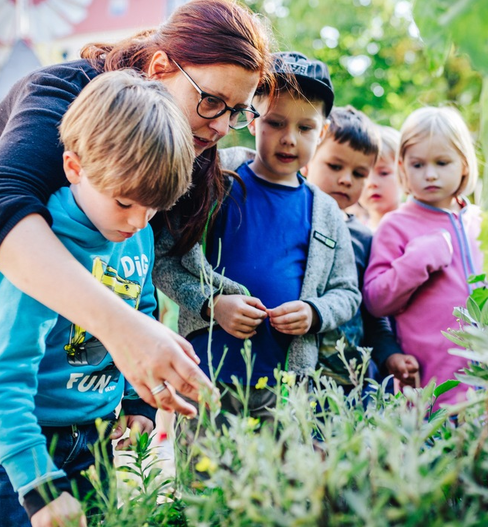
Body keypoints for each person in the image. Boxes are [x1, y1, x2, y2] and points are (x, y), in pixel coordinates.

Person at [0, 0, 274, 415]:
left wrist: (132, 398)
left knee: (78, 399)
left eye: (236, 111)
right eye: (211, 101)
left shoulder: (190, 140)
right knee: (18, 399)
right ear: (161, 68)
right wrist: (121, 329)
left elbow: (134, 279)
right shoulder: (63, 94)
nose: (220, 126)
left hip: (73, 260)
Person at [0, 71, 196, 527]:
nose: (138, 221)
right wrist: (40, 489)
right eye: (126, 202)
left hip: (94, 436)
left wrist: (136, 402)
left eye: (153, 206)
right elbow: (1, 381)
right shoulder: (39, 248)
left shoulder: (138, 234)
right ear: (75, 167)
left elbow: (140, 311)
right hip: (19, 444)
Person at [154, 51, 360, 424]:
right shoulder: (215, 179)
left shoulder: (326, 212)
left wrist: (314, 313)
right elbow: (165, 261)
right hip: (208, 377)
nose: (289, 139)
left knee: (279, 478)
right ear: (251, 119)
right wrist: (212, 304)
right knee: (207, 479)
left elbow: (347, 293)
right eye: (276, 123)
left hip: (286, 389)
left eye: (305, 128)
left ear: (323, 132)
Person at [363, 106, 483, 409]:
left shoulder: (482, 223)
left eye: (442, 163)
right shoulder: (396, 225)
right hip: (429, 387)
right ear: (403, 168)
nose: (430, 174)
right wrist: (415, 262)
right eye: (418, 165)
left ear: (465, 165)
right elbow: (376, 300)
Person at [301, 106, 419, 391]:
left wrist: (390, 355)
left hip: (350, 384)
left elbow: (372, 315)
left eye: (359, 173)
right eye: (335, 166)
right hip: (295, 380)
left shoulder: (364, 238)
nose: (346, 179)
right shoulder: (292, 221)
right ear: (308, 160)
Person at [357, 125, 402, 231]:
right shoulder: (355, 233)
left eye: (384, 173)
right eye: (362, 174)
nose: (371, 183)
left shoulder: (414, 227)